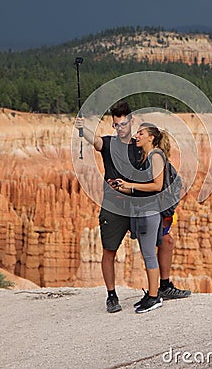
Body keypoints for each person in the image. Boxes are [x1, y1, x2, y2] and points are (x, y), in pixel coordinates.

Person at [75, 101, 191, 313]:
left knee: (166, 240)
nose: (120, 128)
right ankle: (111, 296)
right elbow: (95, 141)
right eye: (116, 125)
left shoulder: (140, 145)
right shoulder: (109, 144)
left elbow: (159, 173)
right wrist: (82, 129)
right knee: (109, 250)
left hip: (140, 206)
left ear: (132, 122)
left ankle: (163, 286)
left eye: (123, 124)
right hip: (115, 207)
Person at [114, 123, 168, 313]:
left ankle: (155, 297)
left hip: (150, 211)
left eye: (141, 133)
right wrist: (124, 187)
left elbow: (157, 185)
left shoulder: (156, 156)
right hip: (143, 210)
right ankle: (152, 293)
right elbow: (143, 185)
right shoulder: (146, 156)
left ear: (151, 137)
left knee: (149, 255)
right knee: (148, 255)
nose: (136, 136)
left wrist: (132, 185)